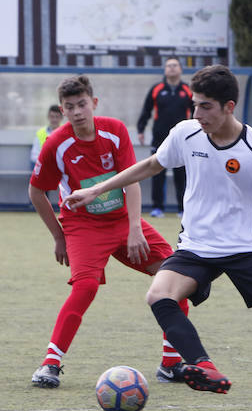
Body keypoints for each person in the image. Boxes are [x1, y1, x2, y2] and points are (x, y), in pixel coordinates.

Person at [65, 65, 252, 411]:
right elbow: (151, 164)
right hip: (197, 246)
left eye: (206, 107)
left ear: (229, 106)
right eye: (194, 105)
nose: (197, 115)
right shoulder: (186, 133)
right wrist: (97, 189)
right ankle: (202, 366)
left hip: (247, 249)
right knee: (158, 294)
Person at [28, 75, 190, 389]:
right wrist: (59, 236)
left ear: (94, 103)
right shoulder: (56, 145)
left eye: (82, 104)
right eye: (70, 107)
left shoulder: (114, 132)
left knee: (176, 275)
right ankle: (50, 363)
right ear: (63, 111)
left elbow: (131, 180)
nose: (77, 112)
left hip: (123, 221)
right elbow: (36, 192)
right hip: (83, 226)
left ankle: (171, 364)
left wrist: (133, 229)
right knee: (85, 287)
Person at [136, 57, 193, 217]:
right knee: (157, 173)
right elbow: (146, 111)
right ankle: (157, 207)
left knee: (182, 175)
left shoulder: (188, 90)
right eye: (169, 66)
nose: (172, 68)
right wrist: (141, 130)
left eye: (175, 65)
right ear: (165, 69)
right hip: (159, 139)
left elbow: (196, 113)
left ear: (180, 69)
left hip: (183, 141)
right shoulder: (157, 89)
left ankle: (183, 209)